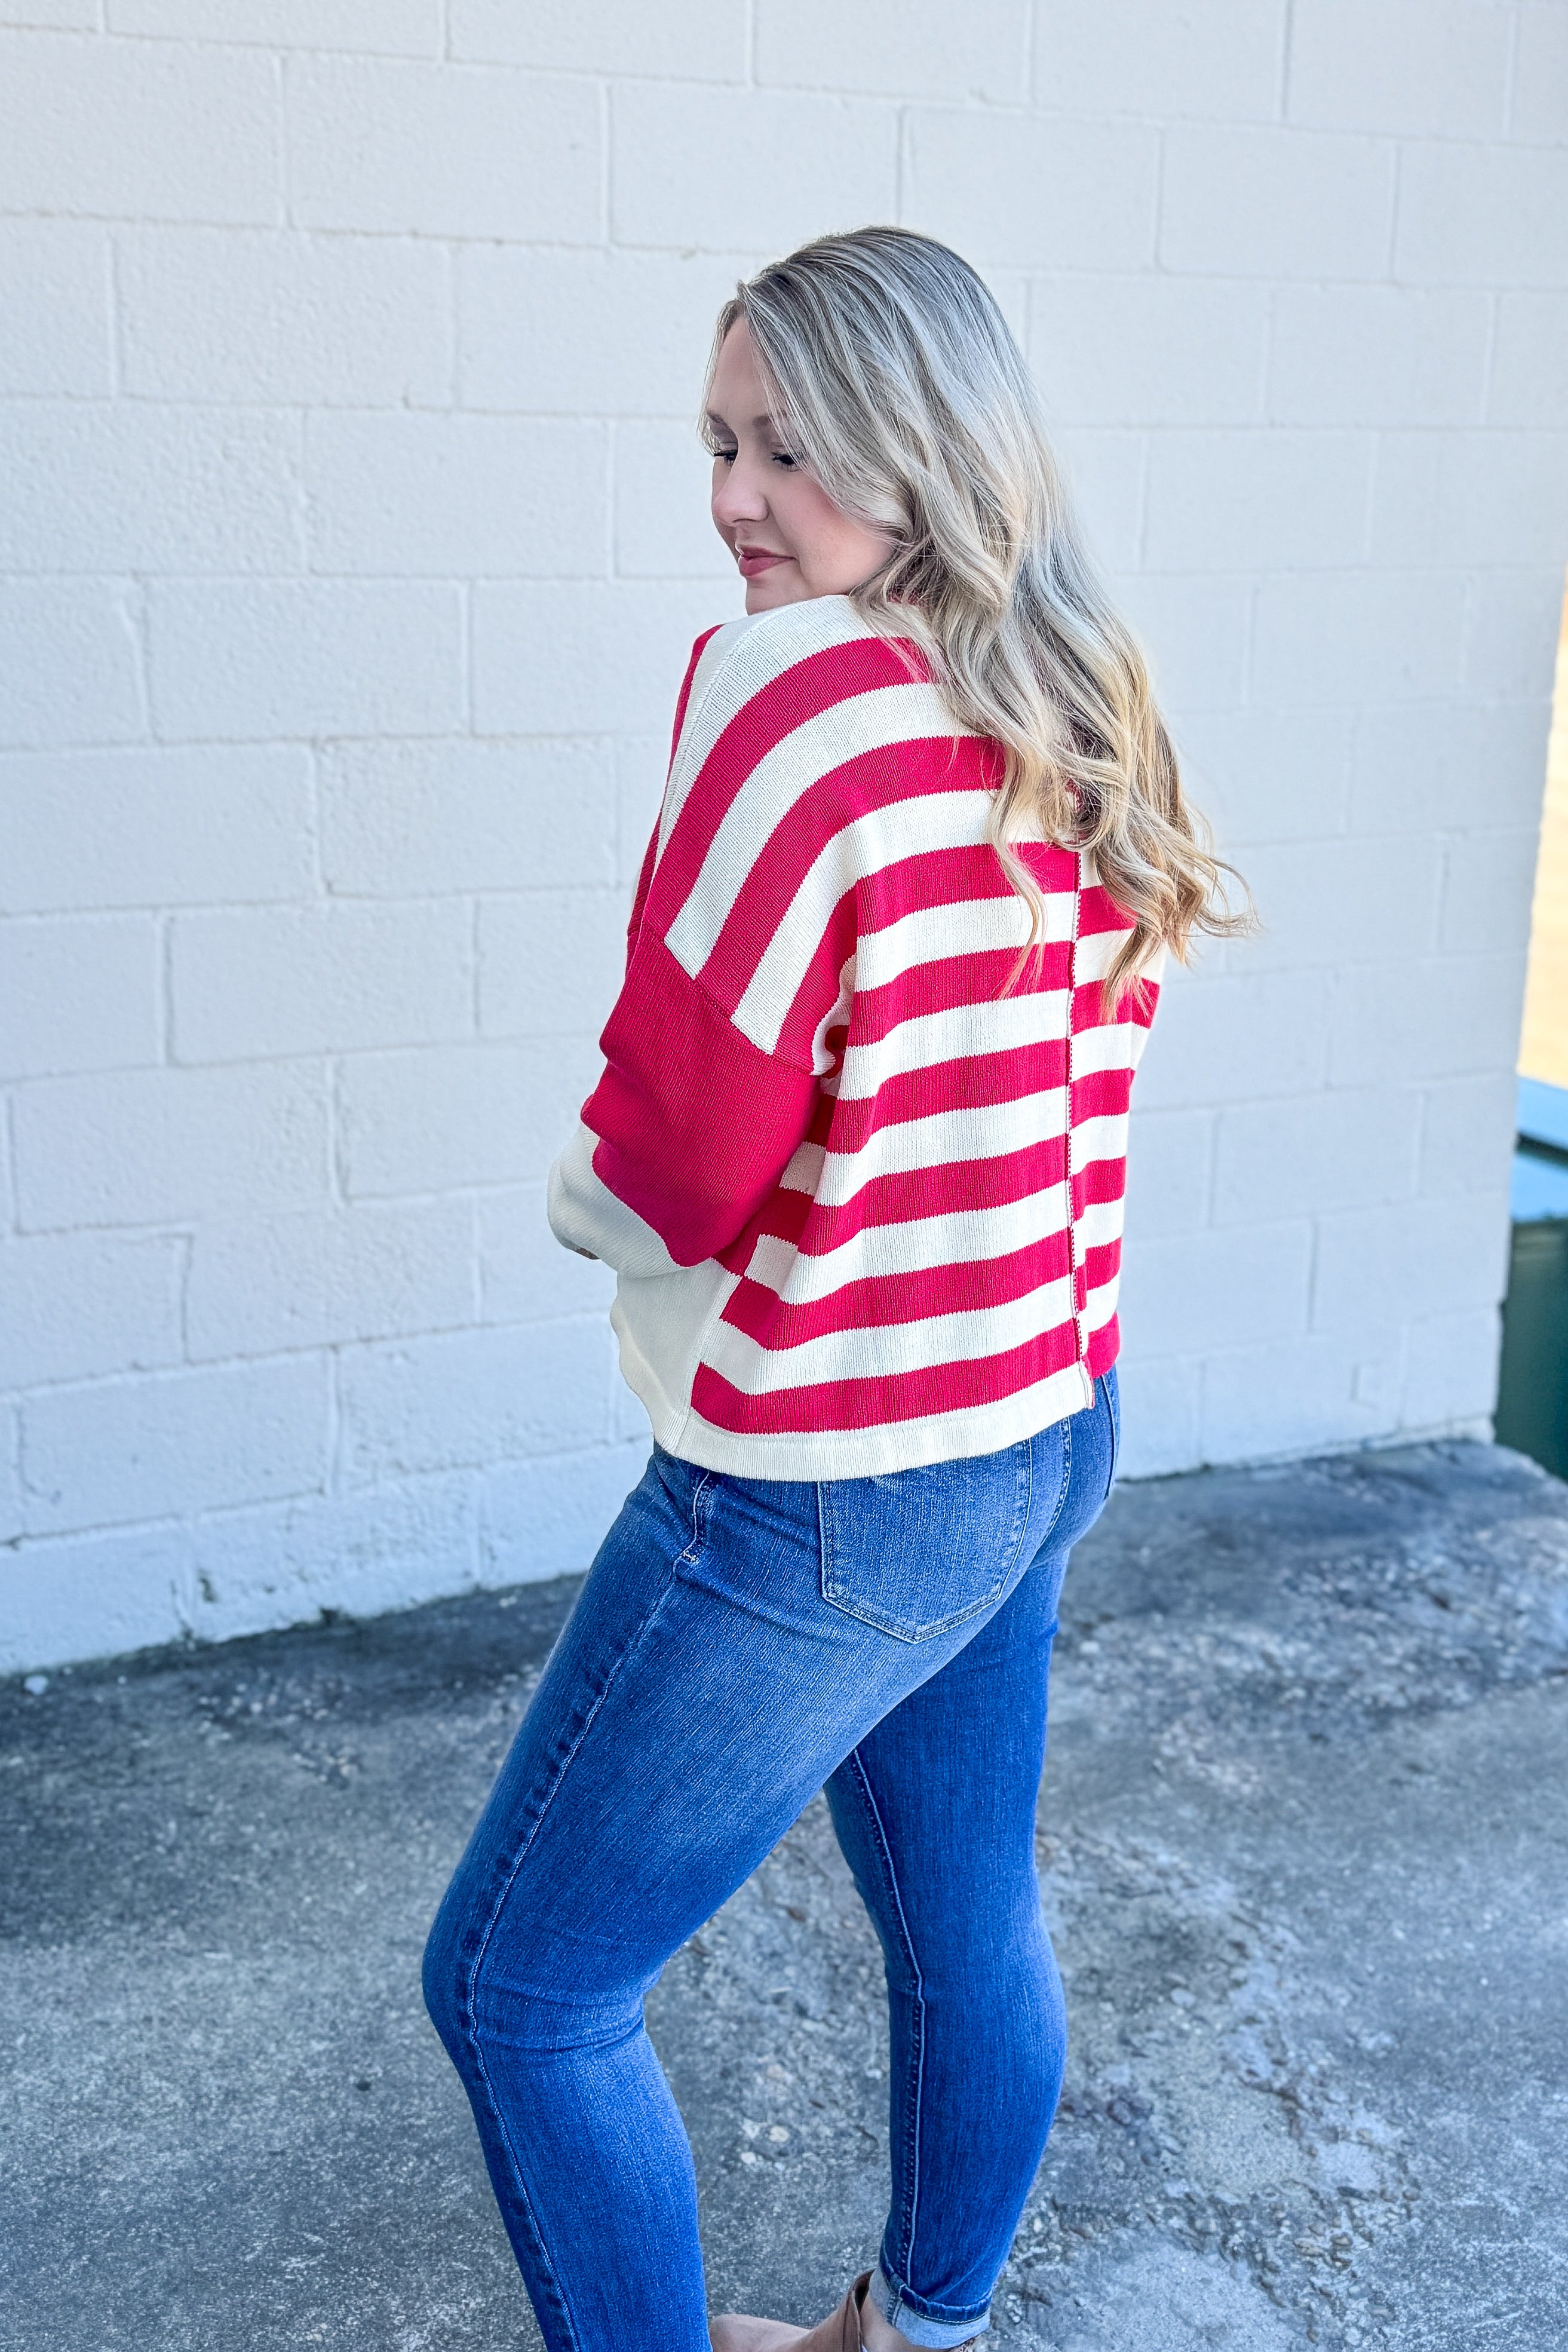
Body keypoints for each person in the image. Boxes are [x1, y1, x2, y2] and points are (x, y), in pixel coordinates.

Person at [424, 226, 1243, 2352]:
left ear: (928, 446)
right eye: (716, 442)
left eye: (791, 447)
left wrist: (576, 1207)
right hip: (1040, 1424)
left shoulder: (790, 696)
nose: (730, 500)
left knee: (520, 1984)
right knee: (964, 1921)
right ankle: (924, 2332)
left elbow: (679, 1162)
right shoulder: (1079, 702)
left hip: (829, 1479)